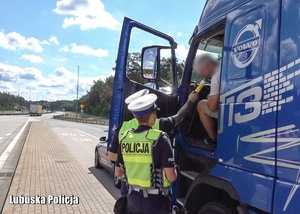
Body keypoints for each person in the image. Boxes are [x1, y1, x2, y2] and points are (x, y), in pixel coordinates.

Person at [109, 89, 197, 195]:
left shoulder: (123, 128)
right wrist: (190, 101)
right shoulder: (157, 124)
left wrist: (132, 163)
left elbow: (112, 156)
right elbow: (178, 118)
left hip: (130, 189)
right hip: (153, 192)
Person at [115, 94, 176, 214]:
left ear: (136, 116)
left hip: (132, 200)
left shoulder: (125, 138)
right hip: (157, 203)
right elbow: (171, 177)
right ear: (153, 116)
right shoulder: (160, 138)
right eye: (155, 113)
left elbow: (118, 172)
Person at [194, 53, 220, 145]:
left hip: (229, 111)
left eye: (202, 70)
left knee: (201, 105)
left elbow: (212, 107)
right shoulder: (225, 66)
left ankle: (213, 139)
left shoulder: (216, 77)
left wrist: (209, 97)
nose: (202, 74)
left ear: (210, 65)